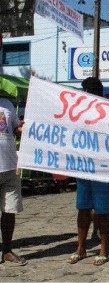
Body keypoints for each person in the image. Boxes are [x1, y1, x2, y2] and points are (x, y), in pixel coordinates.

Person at [67, 77, 109, 266]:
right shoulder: (78, 112)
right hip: (83, 167)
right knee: (83, 209)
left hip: (103, 169)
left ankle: (104, 249)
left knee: (102, 212)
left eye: (84, 90)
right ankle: (81, 247)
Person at [0, 96, 27, 266]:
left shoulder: (7, 104)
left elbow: (16, 129)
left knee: (9, 211)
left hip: (10, 166)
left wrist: (22, 127)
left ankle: (7, 250)